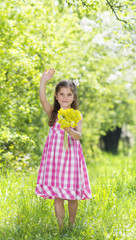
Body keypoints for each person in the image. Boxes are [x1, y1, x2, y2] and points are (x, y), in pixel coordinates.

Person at [35, 68, 92, 230]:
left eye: (69, 95)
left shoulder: (77, 115)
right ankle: (61, 228)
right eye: (61, 94)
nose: (65, 98)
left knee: (72, 195)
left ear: (73, 97)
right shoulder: (53, 113)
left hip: (71, 158)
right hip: (55, 159)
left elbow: (78, 136)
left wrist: (69, 130)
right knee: (58, 196)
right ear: (56, 96)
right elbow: (42, 100)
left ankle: (71, 225)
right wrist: (43, 81)